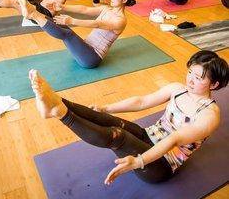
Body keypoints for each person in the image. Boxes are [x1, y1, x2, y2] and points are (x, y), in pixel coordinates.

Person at [28, 50, 228, 185]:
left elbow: (173, 139)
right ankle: (57, 101)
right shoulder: (178, 89)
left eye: (198, 77)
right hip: (149, 136)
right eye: (190, 72)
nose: (190, 79)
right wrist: (106, 108)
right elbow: (141, 101)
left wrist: (138, 161)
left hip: (160, 165)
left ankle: (59, 113)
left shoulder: (209, 116)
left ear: (214, 85)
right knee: (111, 121)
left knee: (118, 135)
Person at [18, 0, 135, 68]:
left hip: (92, 58)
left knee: (68, 34)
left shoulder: (121, 20)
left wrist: (72, 21)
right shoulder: (106, 9)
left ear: (124, 0)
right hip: (85, 47)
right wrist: (62, 7)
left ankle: (32, 14)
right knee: (60, 23)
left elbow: (97, 24)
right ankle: (34, 13)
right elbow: (84, 9)